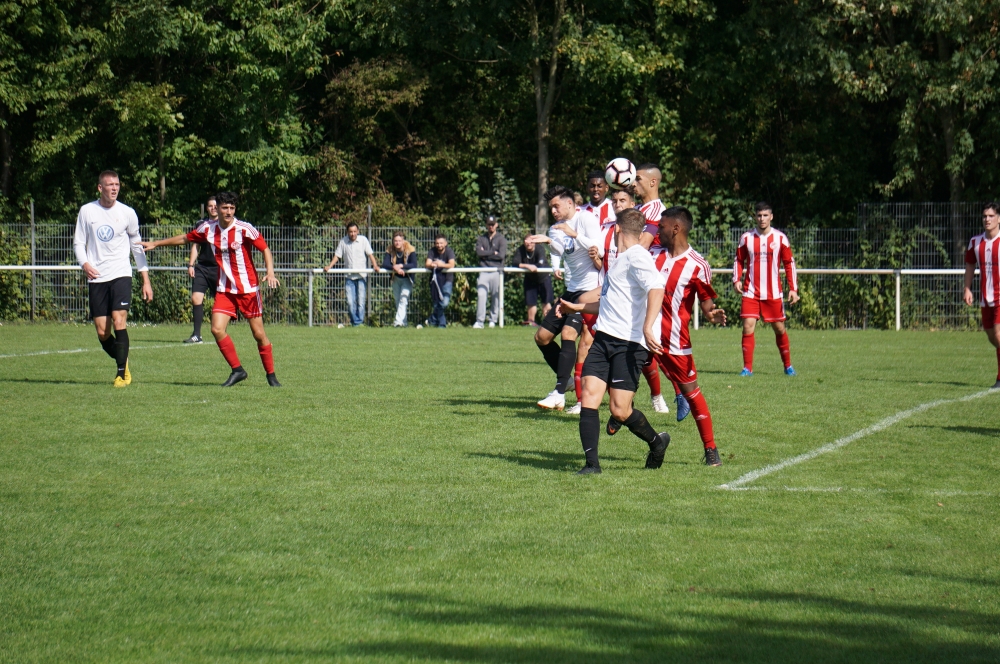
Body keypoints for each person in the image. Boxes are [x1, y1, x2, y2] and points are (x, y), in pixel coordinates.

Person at [558, 208, 669, 474]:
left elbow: (657, 287)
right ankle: (591, 465)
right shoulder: (619, 259)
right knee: (589, 398)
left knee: (619, 410)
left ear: (617, 229)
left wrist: (647, 326)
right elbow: (607, 303)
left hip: (629, 345)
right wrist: (577, 308)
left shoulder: (637, 257)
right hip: (604, 339)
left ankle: (657, 443)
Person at [141, 191, 282, 387]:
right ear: (217, 208)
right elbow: (185, 239)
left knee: (259, 335)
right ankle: (237, 370)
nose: (229, 212)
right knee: (216, 329)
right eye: (225, 207)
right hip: (225, 289)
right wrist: (156, 243)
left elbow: (265, 248)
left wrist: (271, 272)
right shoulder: (208, 229)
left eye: (232, 208)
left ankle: (271, 376)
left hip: (248, 289)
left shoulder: (244, 229)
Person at [650, 206, 727, 466]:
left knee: (691, 392)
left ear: (676, 228)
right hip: (642, 333)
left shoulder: (698, 265)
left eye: (661, 226)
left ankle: (711, 449)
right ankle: (621, 414)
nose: (657, 230)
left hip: (674, 339)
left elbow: (706, 304)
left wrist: (711, 315)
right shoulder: (652, 254)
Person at [73, 170, 153, 387]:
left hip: (121, 274)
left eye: (117, 184)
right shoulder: (87, 211)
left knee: (119, 319)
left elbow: (137, 249)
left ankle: (121, 374)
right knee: (102, 331)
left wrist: (145, 280)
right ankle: (123, 360)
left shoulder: (127, 213)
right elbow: (79, 243)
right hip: (97, 276)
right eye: (109, 185)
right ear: (100, 188)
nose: (114, 188)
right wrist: (85, 264)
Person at [527, 185, 602, 410]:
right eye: (551, 208)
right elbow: (561, 251)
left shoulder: (586, 220)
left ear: (570, 203)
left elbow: (601, 249)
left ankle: (559, 392)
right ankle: (567, 381)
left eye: (556, 206)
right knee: (542, 337)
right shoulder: (555, 228)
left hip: (590, 289)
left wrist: (575, 234)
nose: (554, 211)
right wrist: (550, 243)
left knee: (569, 333)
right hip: (571, 289)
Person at [733, 201, 799, 376]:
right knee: (747, 326)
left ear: (771, 217)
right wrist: (736, 279)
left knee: (779, 328)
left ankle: (788, 366)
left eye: (765, 215)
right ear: (755, 217)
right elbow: (739, 260)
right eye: (759, 215)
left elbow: (789, 263)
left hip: (773, 292)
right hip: (751, 291)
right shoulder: (746, 238)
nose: (762, 219)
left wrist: (793, 289)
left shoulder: (780, 238)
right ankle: (747, 368)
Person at [963, 202, 1000, 389]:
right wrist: (967, 288)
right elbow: (970, 264)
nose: (987, 219)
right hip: (986, 298)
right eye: (985, 216)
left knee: (999, 336)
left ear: (999, 219)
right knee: (992, 337)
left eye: (991, 216)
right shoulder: (975, 242)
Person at [324, 222, 381, 326]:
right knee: (350, 302)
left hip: (361, 276)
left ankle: (358, 323)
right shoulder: (343, 241)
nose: (353, 234)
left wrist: (375, 265)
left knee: (361, 302)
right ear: (347, 232)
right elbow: (337, 256)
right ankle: (356, 323)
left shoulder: (363, 240)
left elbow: (370, 254)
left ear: (358, 231)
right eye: (351, 232)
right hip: (349, 276)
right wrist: (329, 266)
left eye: (355, 231)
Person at [183, 196, 219, 343]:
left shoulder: (225, 224)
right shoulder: (201, 224)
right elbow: (195, 245)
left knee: (221, 302)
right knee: (196, 298)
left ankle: (220, 332)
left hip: (219, 269)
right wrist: (191, 265)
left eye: (215, 206)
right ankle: (196, 335)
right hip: (202, 267)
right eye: (210, 206)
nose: (213, 208)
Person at [474, 215, 507, 328]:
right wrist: (493, 253)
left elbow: (501, 255)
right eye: (489, 224)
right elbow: (479, 253)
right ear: (486, 225)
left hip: (497, 271)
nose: (491, 227)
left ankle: (493, 320)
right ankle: (480, 321)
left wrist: (486, 253)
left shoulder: (501, 239)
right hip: (483, 270)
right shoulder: (481, 238)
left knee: (496, 296)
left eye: (493, 224)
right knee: (481, 294)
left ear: (496, 225)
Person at [511, 234, 553, 326]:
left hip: (544, 277)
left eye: (531, 241)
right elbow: (515, 263)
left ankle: (549, 322)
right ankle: (531, 322)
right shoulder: (521, 250)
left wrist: (528, 266)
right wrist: (527, 266)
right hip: (530, 278)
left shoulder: (539, 248)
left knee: (546, 301)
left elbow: (539, 264)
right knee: (530, 302)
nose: (528, 244)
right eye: (526, 242)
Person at [382, 231, 418, 327]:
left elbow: (414, 264)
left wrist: (402, 266)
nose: (397, 243)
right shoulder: (390, 249)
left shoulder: (410, 249)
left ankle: (397, 322)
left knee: (404, 299)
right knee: (399, 301)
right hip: (396, 278)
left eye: (399, 240)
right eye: (395, 241)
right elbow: (385, 264)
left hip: (407, 278)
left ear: (403, 241)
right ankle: (403, 323)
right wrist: (395, 268)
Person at [633, 164, 666, 249]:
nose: (633, 184)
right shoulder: (636, 208)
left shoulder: (657, 210)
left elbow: (642, 246)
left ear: (652, 182)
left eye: (638, 179)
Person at [426, 233, 456, 328]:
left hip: (447, 280)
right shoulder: (432, 251)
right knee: (436, 303)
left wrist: (440, 264)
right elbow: (427, 264)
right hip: (435, 280)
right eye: (437, 243)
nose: (439, 245)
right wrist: (432, 265)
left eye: (441, 243)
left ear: (445, 243)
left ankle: (432, 319)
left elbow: (451, 264)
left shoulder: (449, 251)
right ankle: (441, 324)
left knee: (444, 302)